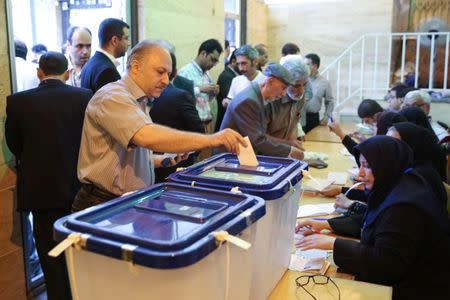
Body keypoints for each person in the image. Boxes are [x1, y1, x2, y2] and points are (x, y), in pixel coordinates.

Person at [73, 40, 245, 212]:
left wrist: (159, 160)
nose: (165, 80)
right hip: (102, 203)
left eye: (168, 74)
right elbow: (146, 137)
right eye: (160, 72)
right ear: (135, 67)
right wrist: (212, 139)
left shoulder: (140, 100)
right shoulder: (113, 96)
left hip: (128, 200)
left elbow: (119, 156)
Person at [297, 136, 450, 299]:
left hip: (417, 289)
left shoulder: (403, 207)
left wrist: (334, 244)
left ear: (386, 164)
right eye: (360, 165)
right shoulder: (398, 183)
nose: (361, 173)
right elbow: (377, 222)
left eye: (368, 166)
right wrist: (326, 224)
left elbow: (386, 264)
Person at [5, 51, 92, 300]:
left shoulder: (18, 102)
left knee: (49, 253)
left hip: (41, 191)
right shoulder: (84, 97)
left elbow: (15, 145)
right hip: (77, 187)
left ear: (39, 72)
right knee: (79, 249)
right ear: (67, 73)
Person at [220, 63, 304, 160]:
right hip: (228, 159)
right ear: (270, 81)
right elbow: (257, 140)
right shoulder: (249, 101)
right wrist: (289, 151)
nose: (284, 94)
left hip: (238, 156)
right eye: (283, 88)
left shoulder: (257, 96)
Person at [150, 52, 205, 182]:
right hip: (176, 169)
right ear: (175, 71)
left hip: (148, 169)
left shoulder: (143, 95)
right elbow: (199, 133)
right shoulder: (180, 96)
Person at [178, 38, 223, 134]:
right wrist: (200, 89)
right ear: (203, 53)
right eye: (212, 59)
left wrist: (213, 93)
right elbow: (179, 98)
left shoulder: (207, 74)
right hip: (191, 124)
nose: (214, 64)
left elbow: (206, 100)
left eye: (216, 61)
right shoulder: (185, 72)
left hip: (207, 123)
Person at [265, 55, 308, 149]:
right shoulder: (271, 98)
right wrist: (288, 144)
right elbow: (260, 137)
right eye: (296, 85)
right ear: (285, 81)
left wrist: (293, 145)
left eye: (304, 85)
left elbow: (294, 123)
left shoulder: (300, 96)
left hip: (283, 150)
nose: (301, 90)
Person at [80, 18, 130, 93]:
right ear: (114, 40)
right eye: (126, 38)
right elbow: (113, 103)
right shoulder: (107, 71)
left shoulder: (89, 64)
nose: (129, 43)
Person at [303, 53, 334, 132]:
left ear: (315, 66)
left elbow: (330, 102)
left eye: (307, 64)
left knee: (312, 142)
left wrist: (326, 117)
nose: (304, 67)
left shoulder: (324, 82)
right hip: (299, 117)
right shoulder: (300, 80)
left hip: (313, 118)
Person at [215, 49, 239, 132]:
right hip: (226, 125)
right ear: (233, 61)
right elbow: (231, 101)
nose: (243, 67)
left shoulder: (234, 76)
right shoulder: (227, 76)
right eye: (241, 63)